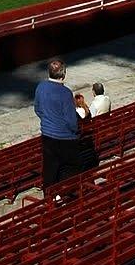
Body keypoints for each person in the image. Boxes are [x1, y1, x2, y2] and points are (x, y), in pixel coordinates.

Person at [35, 58, 92, 193]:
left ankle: (50, 196)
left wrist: (48, 121)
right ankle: (68, 195)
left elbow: (37, 109)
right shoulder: (65, 93)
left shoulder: (40, 87)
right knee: (71, 167)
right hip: (65, 138)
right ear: (63, 74)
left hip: (47, 135)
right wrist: (75, 131)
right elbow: (71, 120)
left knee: (50, 168)